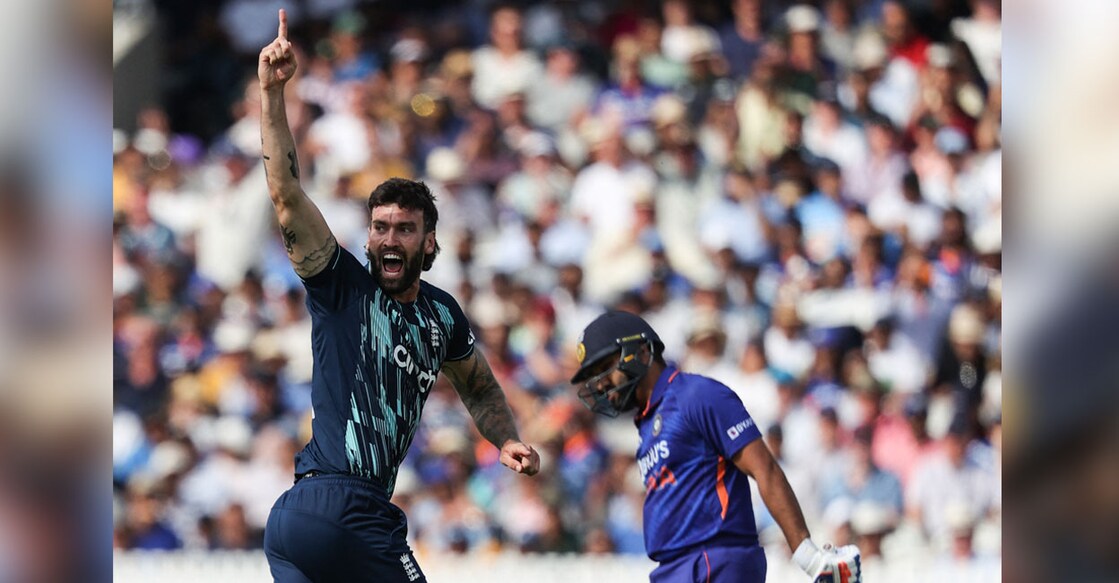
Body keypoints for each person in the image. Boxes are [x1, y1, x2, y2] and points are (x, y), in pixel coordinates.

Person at [257, 11, 541, 582]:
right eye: (380, 227)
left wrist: (505, 437)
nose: (389, 238)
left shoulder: (442, 315)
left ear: (429, 241)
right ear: (367, 237)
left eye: (404, 229)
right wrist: (272, 94)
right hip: (344, 506)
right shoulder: (341, 284)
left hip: (299, 524)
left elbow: (478, 384)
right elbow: (285, 193)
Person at [570, 310, 860, 582]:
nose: (600, 384)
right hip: (676, 568)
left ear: (643, 352)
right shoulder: (648, 423)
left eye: (605, 367)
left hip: (713, 562)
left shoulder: (697, 395)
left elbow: (765, 468)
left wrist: (807, 554)